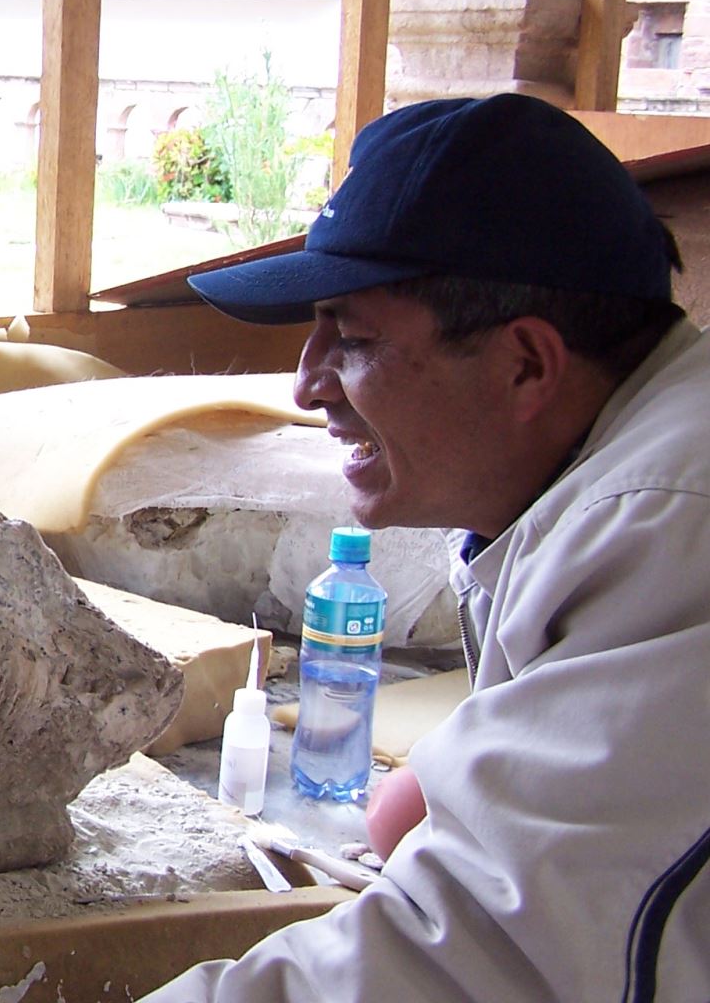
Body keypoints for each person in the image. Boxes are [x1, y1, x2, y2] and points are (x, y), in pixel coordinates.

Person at [142, 93, 709, 1001]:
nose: (307, 383)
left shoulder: (673, 523)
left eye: (352, 338)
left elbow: (481, 954)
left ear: (527, 363)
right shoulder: (608, 470)